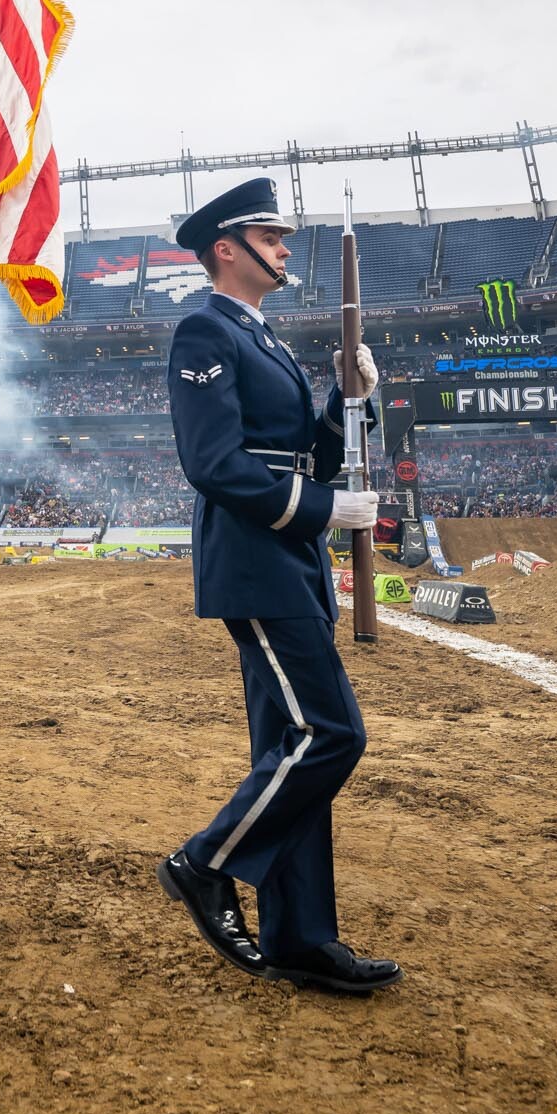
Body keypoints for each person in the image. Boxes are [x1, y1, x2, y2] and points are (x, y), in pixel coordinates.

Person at [154, 177, 402, 996]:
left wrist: (345, 396)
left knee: (288, 748)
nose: (287, 248)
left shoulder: (264, 339)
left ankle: (299, 936)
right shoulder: (204, 330)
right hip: (256, 560)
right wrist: (330, 510)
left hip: (287, 557)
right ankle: (207, 861)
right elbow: (215, 465)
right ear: (228, 248)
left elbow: (312, 457)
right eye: (272, 234)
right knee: (330, 735)